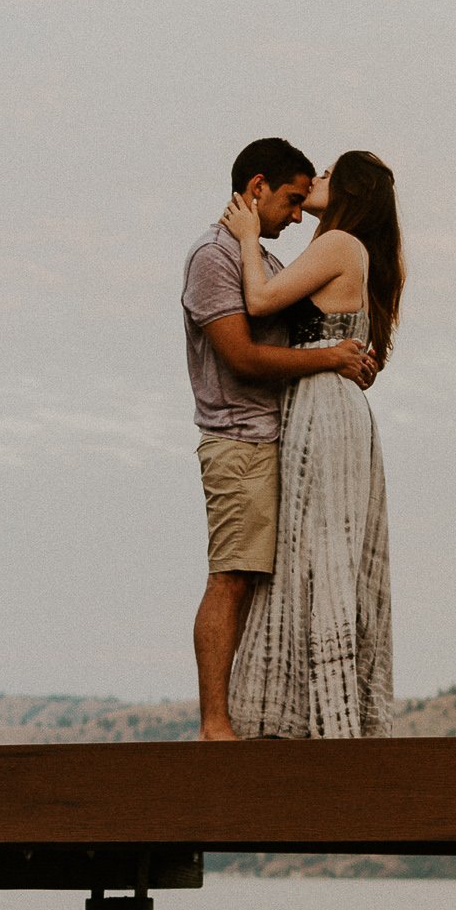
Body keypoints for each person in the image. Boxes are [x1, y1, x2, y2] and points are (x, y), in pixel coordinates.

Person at [183, 138, 376, 741]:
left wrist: (350, 358)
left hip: (281, 437)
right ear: (256, 186)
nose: (297, 216)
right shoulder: (215, 257)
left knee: (269, 582)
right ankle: (216, 724)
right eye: (291, 201)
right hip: (238, 438)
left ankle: (266, 714)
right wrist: (328, 363)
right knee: (233, 575)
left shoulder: (261, 260)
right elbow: (240, 357)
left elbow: (313, 330)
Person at [221, 149, 403, 739]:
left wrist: (247, 235)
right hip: (333, 405)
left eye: (325, 175)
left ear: (345, 188)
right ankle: (325, 712)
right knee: (319, 554)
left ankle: (319, 722)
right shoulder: (353, 250)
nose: (314, 183)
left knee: (315, 553)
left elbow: (260, 302)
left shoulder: (340, 243)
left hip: (323, 408)